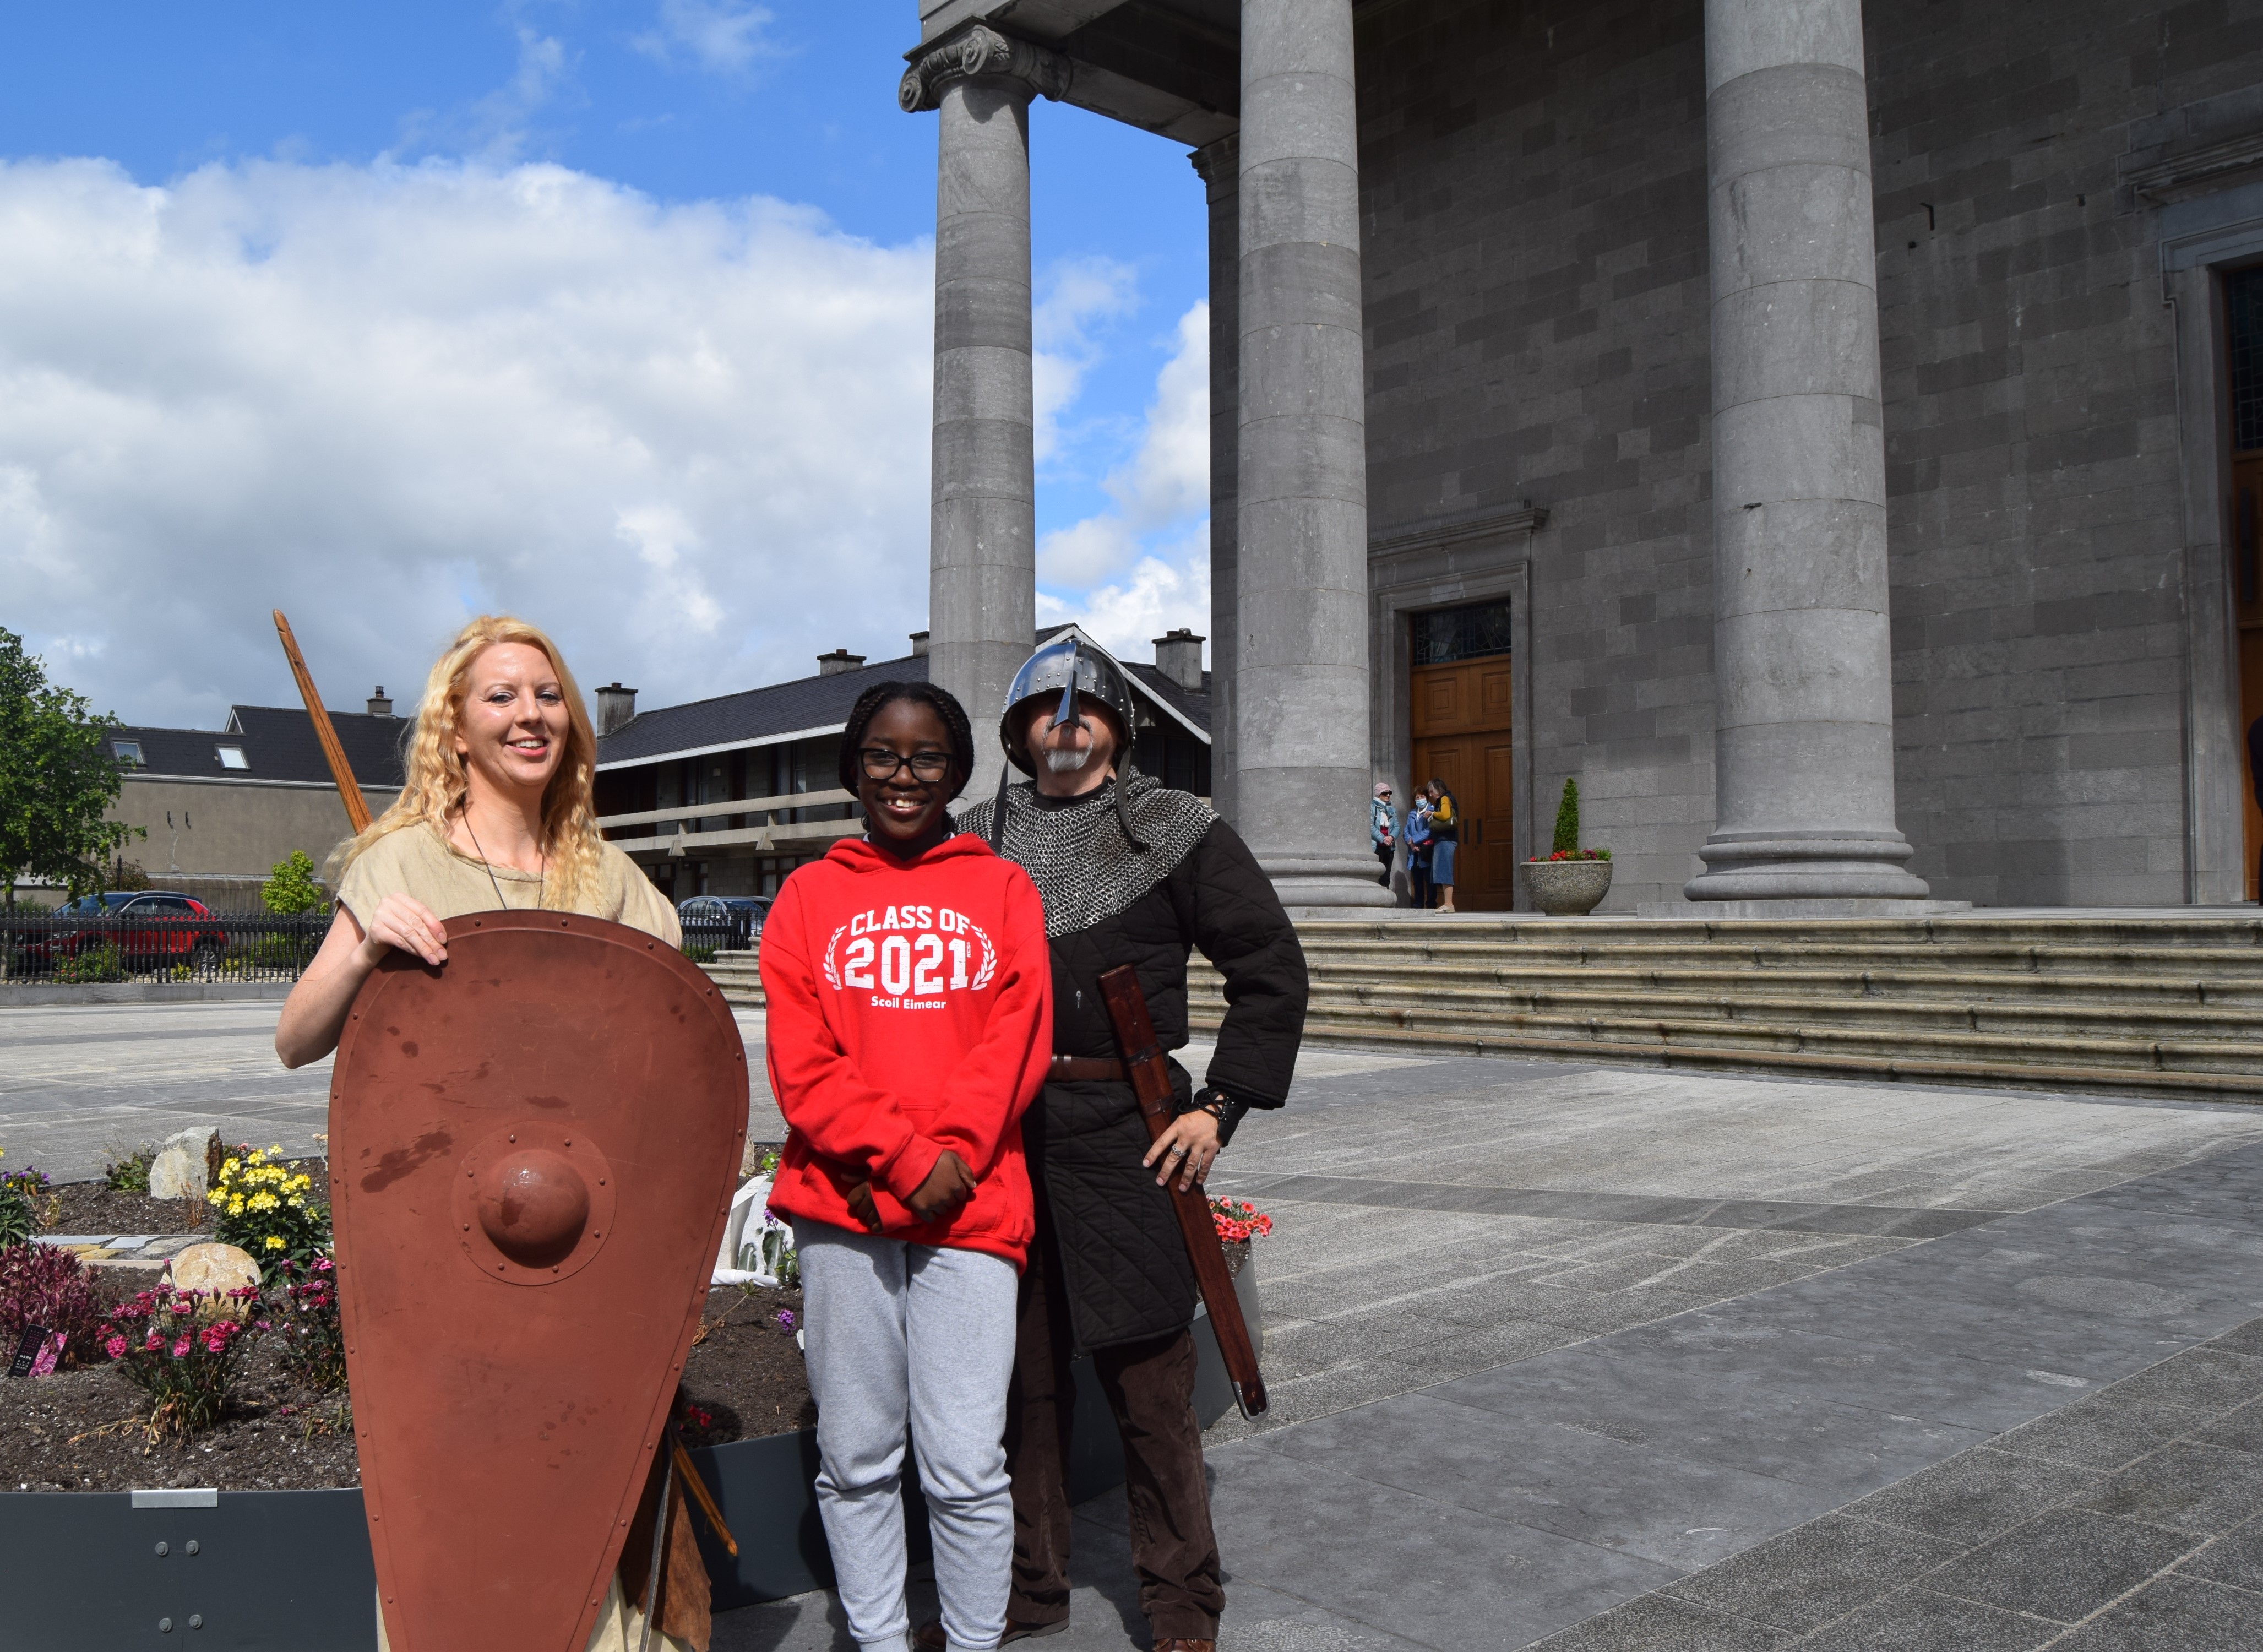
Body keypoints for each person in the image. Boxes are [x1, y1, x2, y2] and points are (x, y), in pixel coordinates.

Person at [274, 615, 702, 1652]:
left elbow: (669, 1066)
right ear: (455, 729)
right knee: (456, 1523)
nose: (531, 716)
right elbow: (296, 1039)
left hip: (582, 1253)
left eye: (547, 695)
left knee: (586, 1500)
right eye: (502, 697)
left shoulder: (611, 881)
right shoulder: (398, 863)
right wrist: (365, 946)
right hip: (450, 1260)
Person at [950, 635, 1307, 1652]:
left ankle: (1183, 1604)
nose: (1067, 720)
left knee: (1152, 1389)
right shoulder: (972, 840)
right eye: (1046, 710)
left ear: (1119, 725)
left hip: (1130, 1134)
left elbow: (1270, 968)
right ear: (1019, 731)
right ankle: (1028, 1593)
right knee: (1021, 1385)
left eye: (1089, 707)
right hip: (1004, 1135)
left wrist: (1221, 1107)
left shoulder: (1176, 830)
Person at [762, 680, 1053, 1652]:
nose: (903, 775)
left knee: (967, 1463)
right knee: (855, 1458)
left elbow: (1018, 1035)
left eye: (928, 757)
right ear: (854, 767)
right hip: (844, 1205)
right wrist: (898, 1156)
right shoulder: (808, 896)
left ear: (957, 773)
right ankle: (881, 1641)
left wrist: (953, 1158)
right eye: (883, 755)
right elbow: (804, 1063)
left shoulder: (1004, 888)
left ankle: (972, 1642)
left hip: (969, 1208)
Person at [1426, 779, 1460, 914]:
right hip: (1444, 840)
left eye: (1431, 792)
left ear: (1438, 790)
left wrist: (1432, 814)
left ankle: (1448, 904)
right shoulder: (1445, 799)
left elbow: (1446, 815)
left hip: (1446, 840)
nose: (1430, 795)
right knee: (1442, 870)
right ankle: (1447, 903)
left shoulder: (1445, 798)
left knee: (1445, 870)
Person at [1404, 788, 1434, 910]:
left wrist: (1415, 840)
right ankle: (1418, 904)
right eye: (1417, 798)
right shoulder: (1412, 813)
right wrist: (1410, 843)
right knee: (1417, 880)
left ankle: (1431, 904)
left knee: (1429, 880)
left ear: (1427, 797)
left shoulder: (1431, 811)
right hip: (1414, 852)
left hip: (1425, 850)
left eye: (1422, 797)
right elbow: (1406, 830)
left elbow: (1430, 830)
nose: (1419, 800)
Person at [1369, 782, 1396, 887]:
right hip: (1377, 846)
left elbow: (1397, 826)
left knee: (1386, 877)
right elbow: (1370, 826)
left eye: (1389, 793)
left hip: (1389, 847)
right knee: (1376, 877)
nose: (1388, 795)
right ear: (1378, 794)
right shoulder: (1372, 808)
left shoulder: (1392, 809)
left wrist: (1392, 837)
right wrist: (1383, 838)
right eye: (1385, 793)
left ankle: (1386, 902)